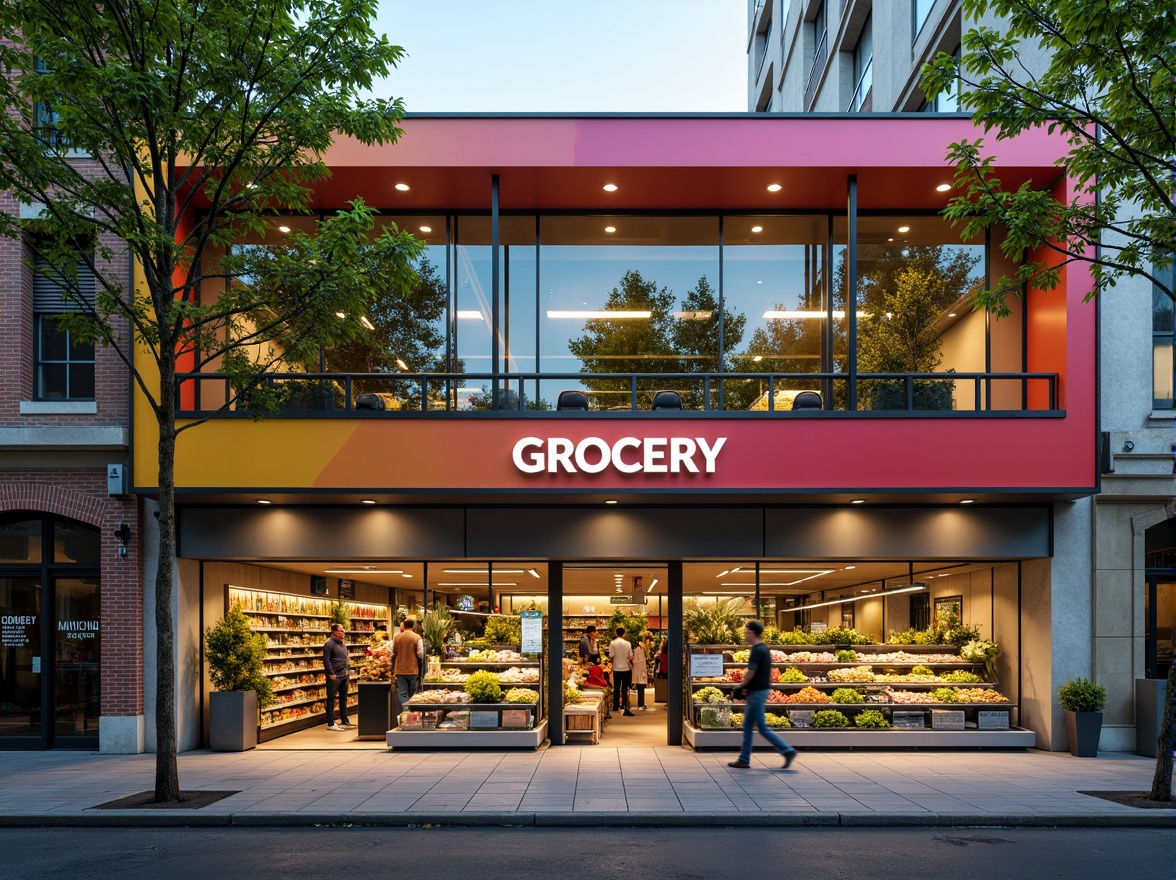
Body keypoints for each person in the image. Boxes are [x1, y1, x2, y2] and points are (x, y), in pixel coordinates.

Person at [728, 620, 798, 770]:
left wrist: (741, 686)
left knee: (760, 727)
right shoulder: (763, 649)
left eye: (746, 632)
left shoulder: (757, 650)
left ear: (752, 632)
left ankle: (787, 750)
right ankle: (745, 758)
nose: (745, 634)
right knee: (750, 725)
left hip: (757, 693)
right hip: (760, 691)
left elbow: (750, 672)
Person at [323, 623, 354, 731]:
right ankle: (331, 723)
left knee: (343, 698)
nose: (343, 632)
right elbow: (326, 660)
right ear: (334, 632)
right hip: (335, 676)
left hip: (344, 674)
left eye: (343, 630)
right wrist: (331, 674)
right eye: (341, 630)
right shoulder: (329, 644)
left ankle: (344, 720)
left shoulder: (342, 643)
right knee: (331, 698)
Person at [392, 617, 426, 704]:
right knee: (412, 693)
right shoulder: (417, 637)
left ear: (404, 625)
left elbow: (393, 652)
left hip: (400, 670)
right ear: (413, 626)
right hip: (412, 670)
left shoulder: (397, 637)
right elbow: (420, 654)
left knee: (402, 693)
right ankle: (411, 710)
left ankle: (405, 710)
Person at [608, 626, 635, 716]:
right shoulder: (628, 643)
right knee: (624, 688)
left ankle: (616, 706)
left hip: (617, 668)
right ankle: (624, 705)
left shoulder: (612, 643)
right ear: (624, 634)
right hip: (626, 668)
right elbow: (630, 656)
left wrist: (610, 662)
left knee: (616, 688)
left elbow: (611, 655)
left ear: (616, 633)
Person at [631, 638, 647, 710]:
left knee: (640, 687)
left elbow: (639, 660)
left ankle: (641, 704)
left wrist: (632, 660)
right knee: (641, 688)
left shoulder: (637, 649)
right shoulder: (639, 649)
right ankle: (641, 704)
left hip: (639, 671)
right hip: (640, 671)